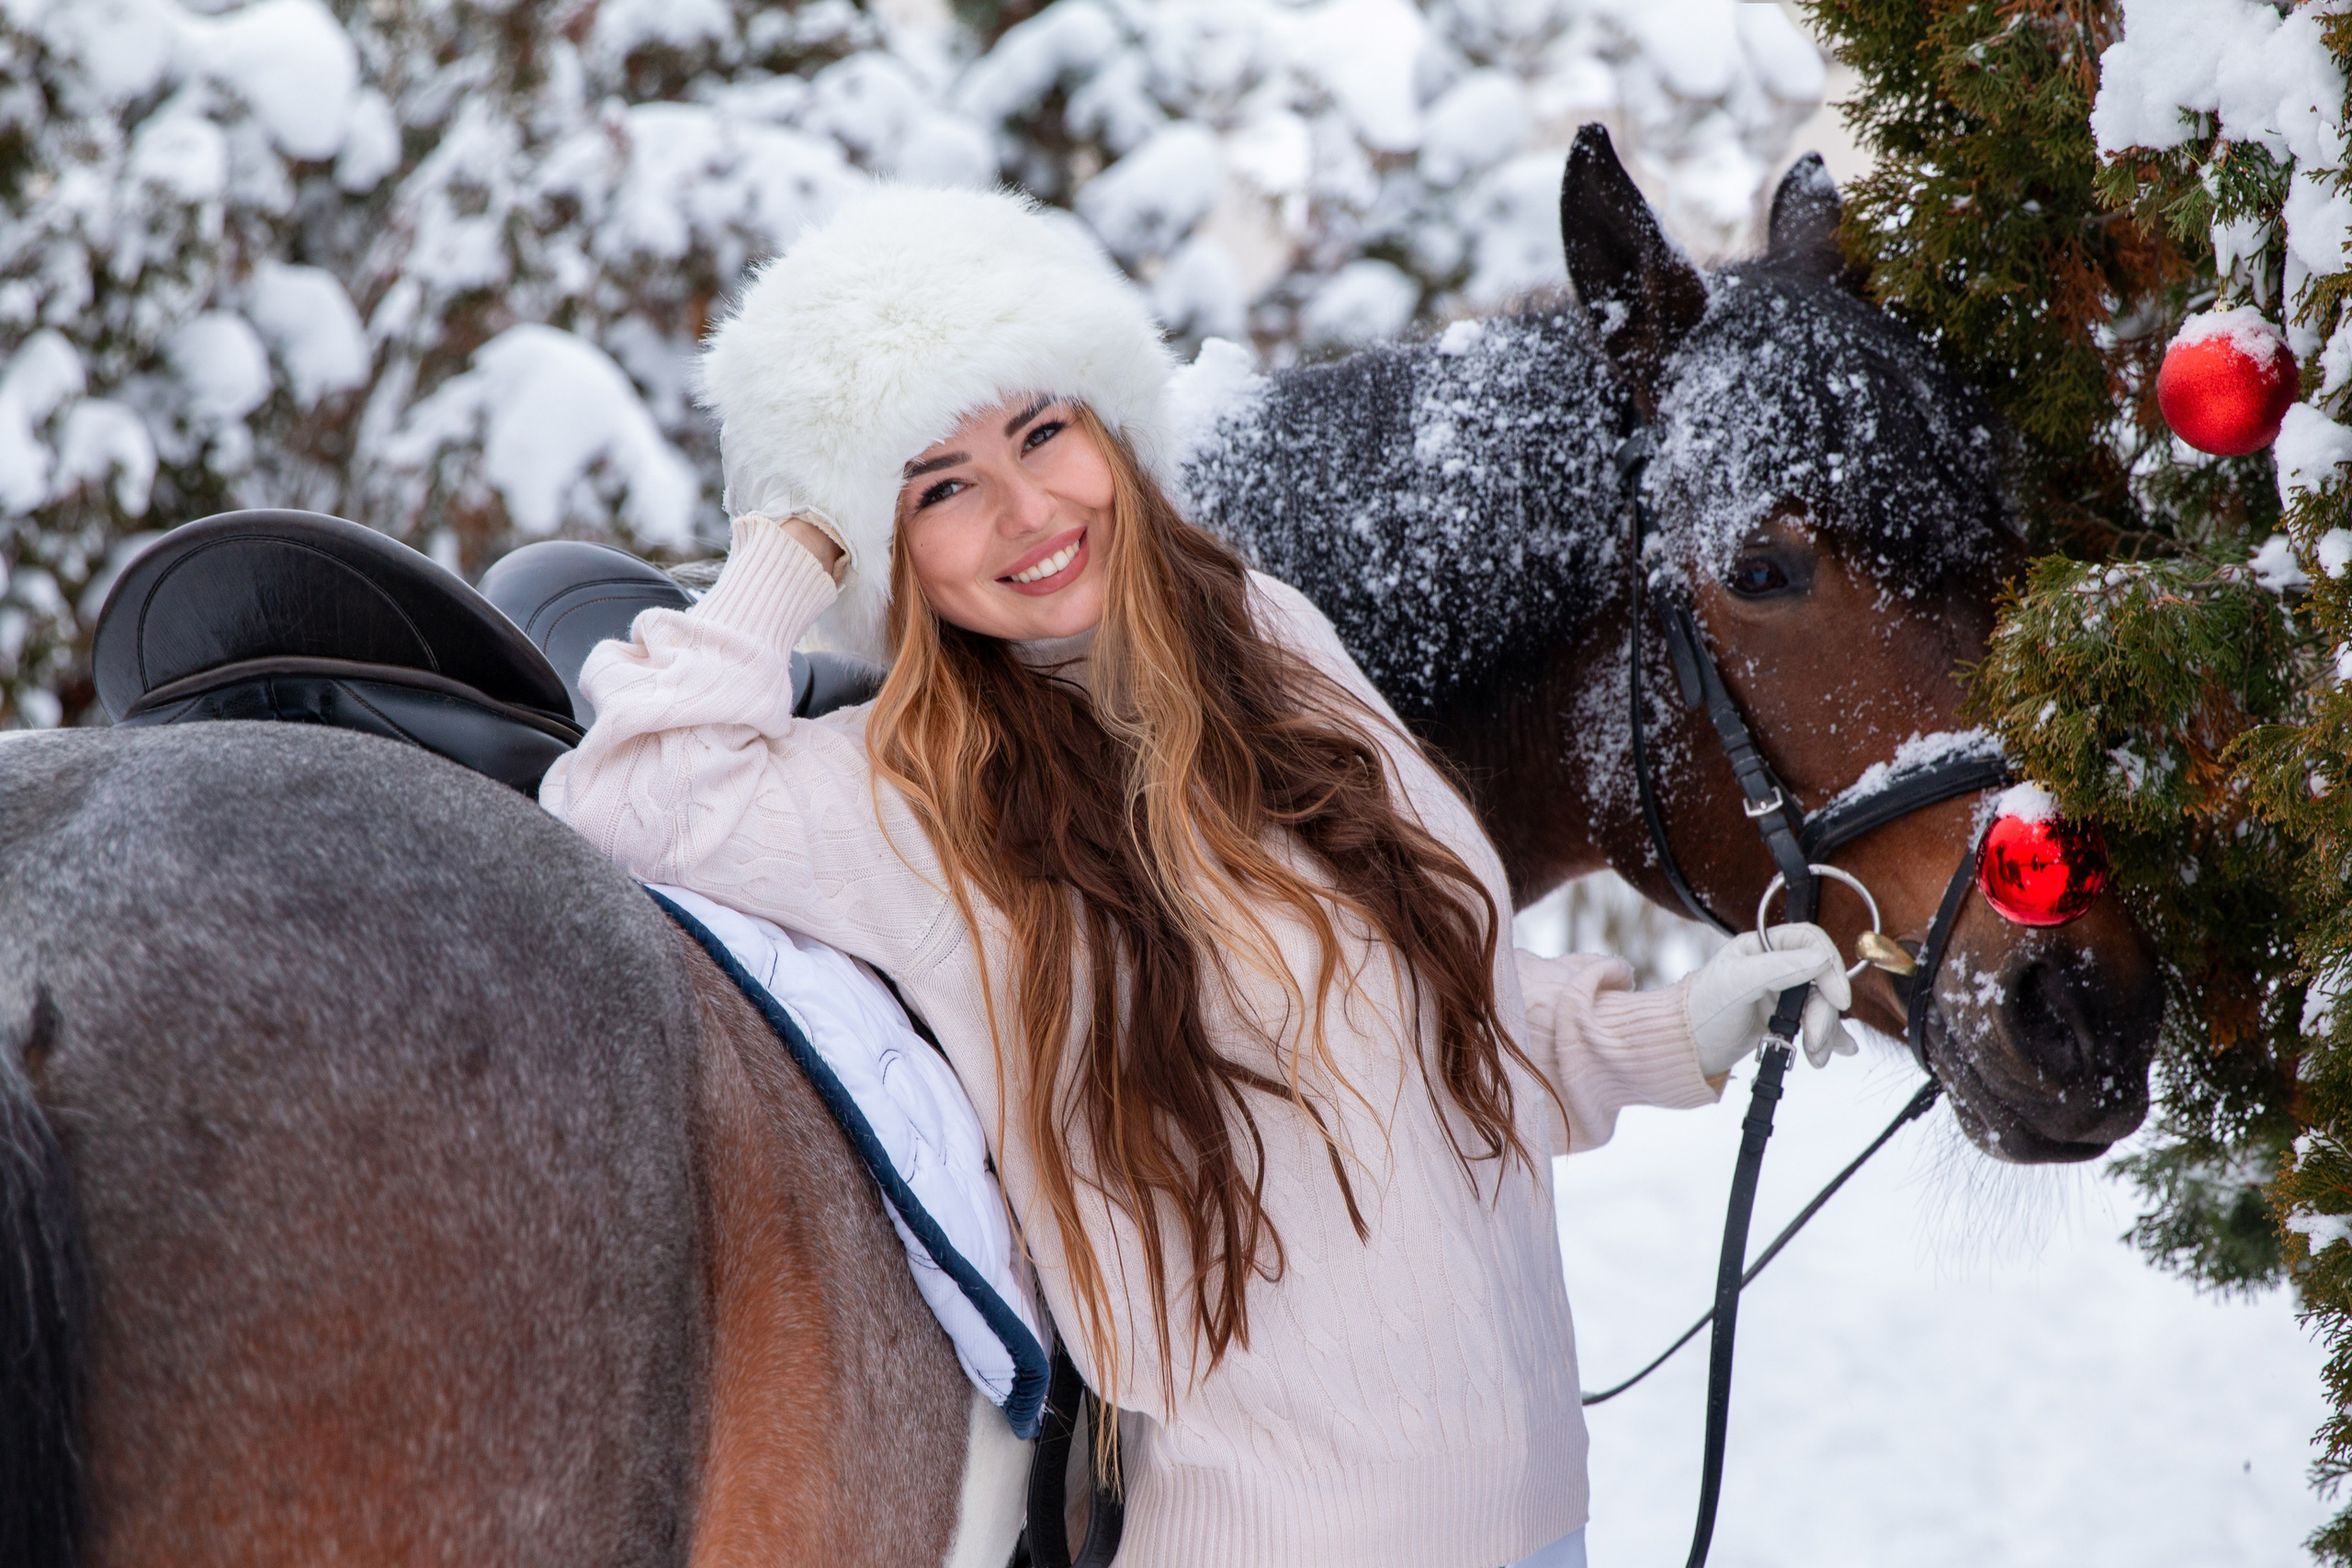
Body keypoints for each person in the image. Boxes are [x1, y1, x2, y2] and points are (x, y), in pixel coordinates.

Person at [539, 186, 1856, 1568]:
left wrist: (1674, 1029)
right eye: (940, 486)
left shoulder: (1266, 642)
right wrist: (792, 538)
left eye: (1044, 431)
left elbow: (1437, 1018)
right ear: (889, 546)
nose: (1029, 509)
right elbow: (626, 798)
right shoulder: (910, 792)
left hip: (1535, 1522)